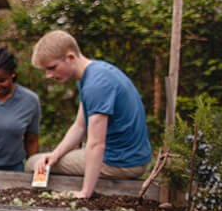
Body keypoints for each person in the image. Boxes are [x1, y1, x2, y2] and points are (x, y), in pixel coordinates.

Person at [25, 30, 151, 198]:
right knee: (46, 160)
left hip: (121, 162)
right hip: (129, 157)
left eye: (52, 68)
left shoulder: (96, 85)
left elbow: (96, 144)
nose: (48, 75)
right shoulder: (94, 74)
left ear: (70, 57)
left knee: (33, 163)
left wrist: (85, 192)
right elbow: (79, 126)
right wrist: (54, 155)